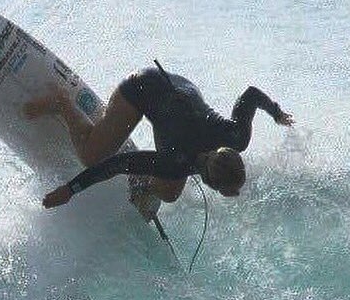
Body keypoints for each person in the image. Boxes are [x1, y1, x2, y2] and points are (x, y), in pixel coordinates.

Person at [24, 65, 294, 216]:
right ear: (210, 182)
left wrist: (276, 112)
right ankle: (61, 102)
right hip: (141, 88)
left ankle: (142, 181)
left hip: (179, 84)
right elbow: (116, 164)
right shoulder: (175, 163)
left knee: (170, 193)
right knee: (92, 157)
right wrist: (70, 190)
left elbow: (250, 95)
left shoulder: (236, 137)